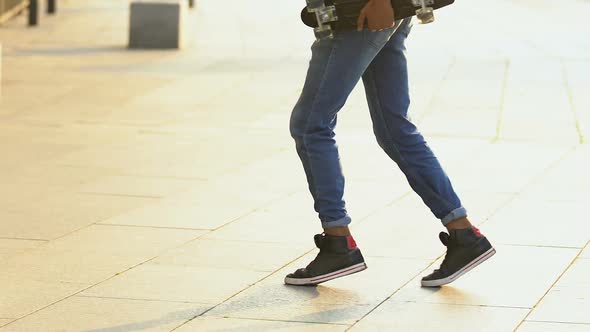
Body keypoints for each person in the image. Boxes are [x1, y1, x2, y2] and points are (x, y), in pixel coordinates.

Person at [285, 0, 495, 287]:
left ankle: (338, 242)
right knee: (394, 128)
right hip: (372, 12)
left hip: (358, 11)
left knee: (311, 124)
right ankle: (464, 235)